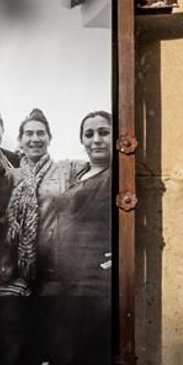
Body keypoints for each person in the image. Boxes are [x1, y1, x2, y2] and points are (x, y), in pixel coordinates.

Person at [0, 106, 84, 295]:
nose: (35, 139)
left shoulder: (68, 168)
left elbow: (100, 167)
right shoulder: (13, 175)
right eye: (29, 134)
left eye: (40, 133)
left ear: (49, 138)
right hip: (18, 269)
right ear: (20, 140)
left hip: (55, 268)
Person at [37, 111, 114, 297]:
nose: (96, 140)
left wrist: (124, 251)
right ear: (82, 140)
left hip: (95, 278)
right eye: (89, 134)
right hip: (65, 278)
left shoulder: (116, 174)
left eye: (103, 132)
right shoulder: (79, 174)